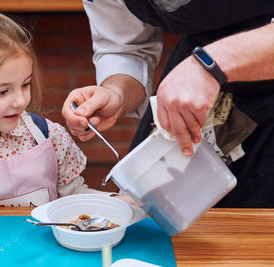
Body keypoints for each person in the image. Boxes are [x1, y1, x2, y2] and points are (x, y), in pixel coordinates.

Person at [0, 9, 134, 235]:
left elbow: (74, 195)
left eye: (25, 84)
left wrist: (119, 202)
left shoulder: (48, 135)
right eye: (2, 91)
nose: (21, 101)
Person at [62, 0, 274, 208]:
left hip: (233, 67)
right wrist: (115, 92)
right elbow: (127, 48)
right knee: (148, 218)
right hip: (197, 72)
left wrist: (210, 65)